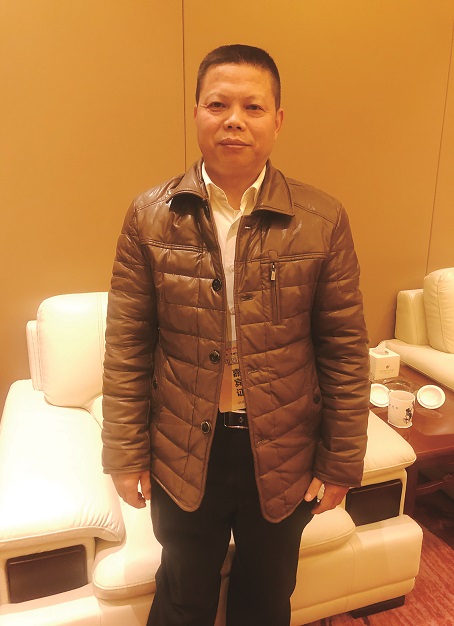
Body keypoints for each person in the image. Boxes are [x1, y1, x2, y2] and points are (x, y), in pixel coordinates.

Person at [102, 44, 370, 626]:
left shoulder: (322, 219)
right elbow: (127, 345)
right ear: (196, 112)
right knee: (183, 593)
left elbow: (345, 351)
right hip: (182, 446)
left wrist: (340, 461)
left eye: (253, 106)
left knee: (266, 597)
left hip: (283, 448)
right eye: (218, 104)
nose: (234, 120)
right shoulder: (149, 215)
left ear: (278, 119)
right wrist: (124, 452)